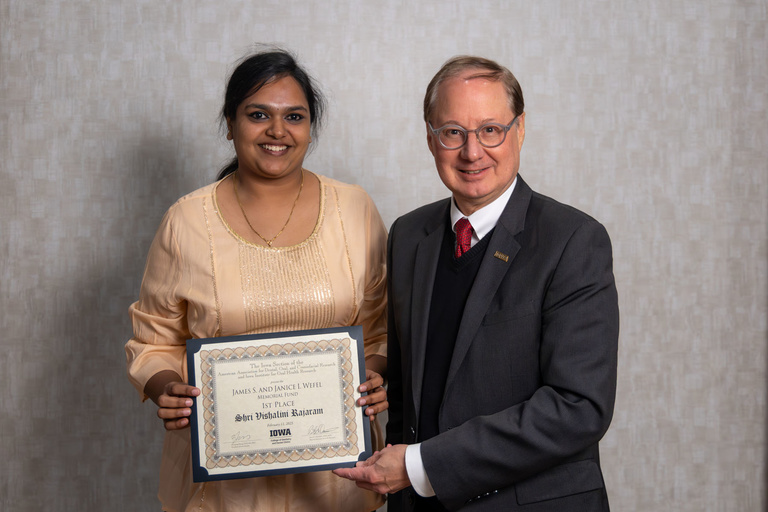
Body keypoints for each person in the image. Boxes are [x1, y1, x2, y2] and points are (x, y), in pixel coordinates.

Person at [334, 56, 619, 511]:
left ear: (520, 129)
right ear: (430, 138)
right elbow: (411, 397)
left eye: (491, 130)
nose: (472, 152)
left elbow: (577, 407)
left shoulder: (573, 241)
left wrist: (419, 465)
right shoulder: (409, 236)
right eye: (452, 132)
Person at [126, 48, 388, 512]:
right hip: (222, 487)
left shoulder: (355, 210)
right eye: (258, 114)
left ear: (310, 128)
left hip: (335, 481)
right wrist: (166, 387)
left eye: (295, 116)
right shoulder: (186, 221)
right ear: (230, 124)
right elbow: (153, 340)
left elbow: (382, 329)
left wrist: (375, 375)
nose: (277, 131)